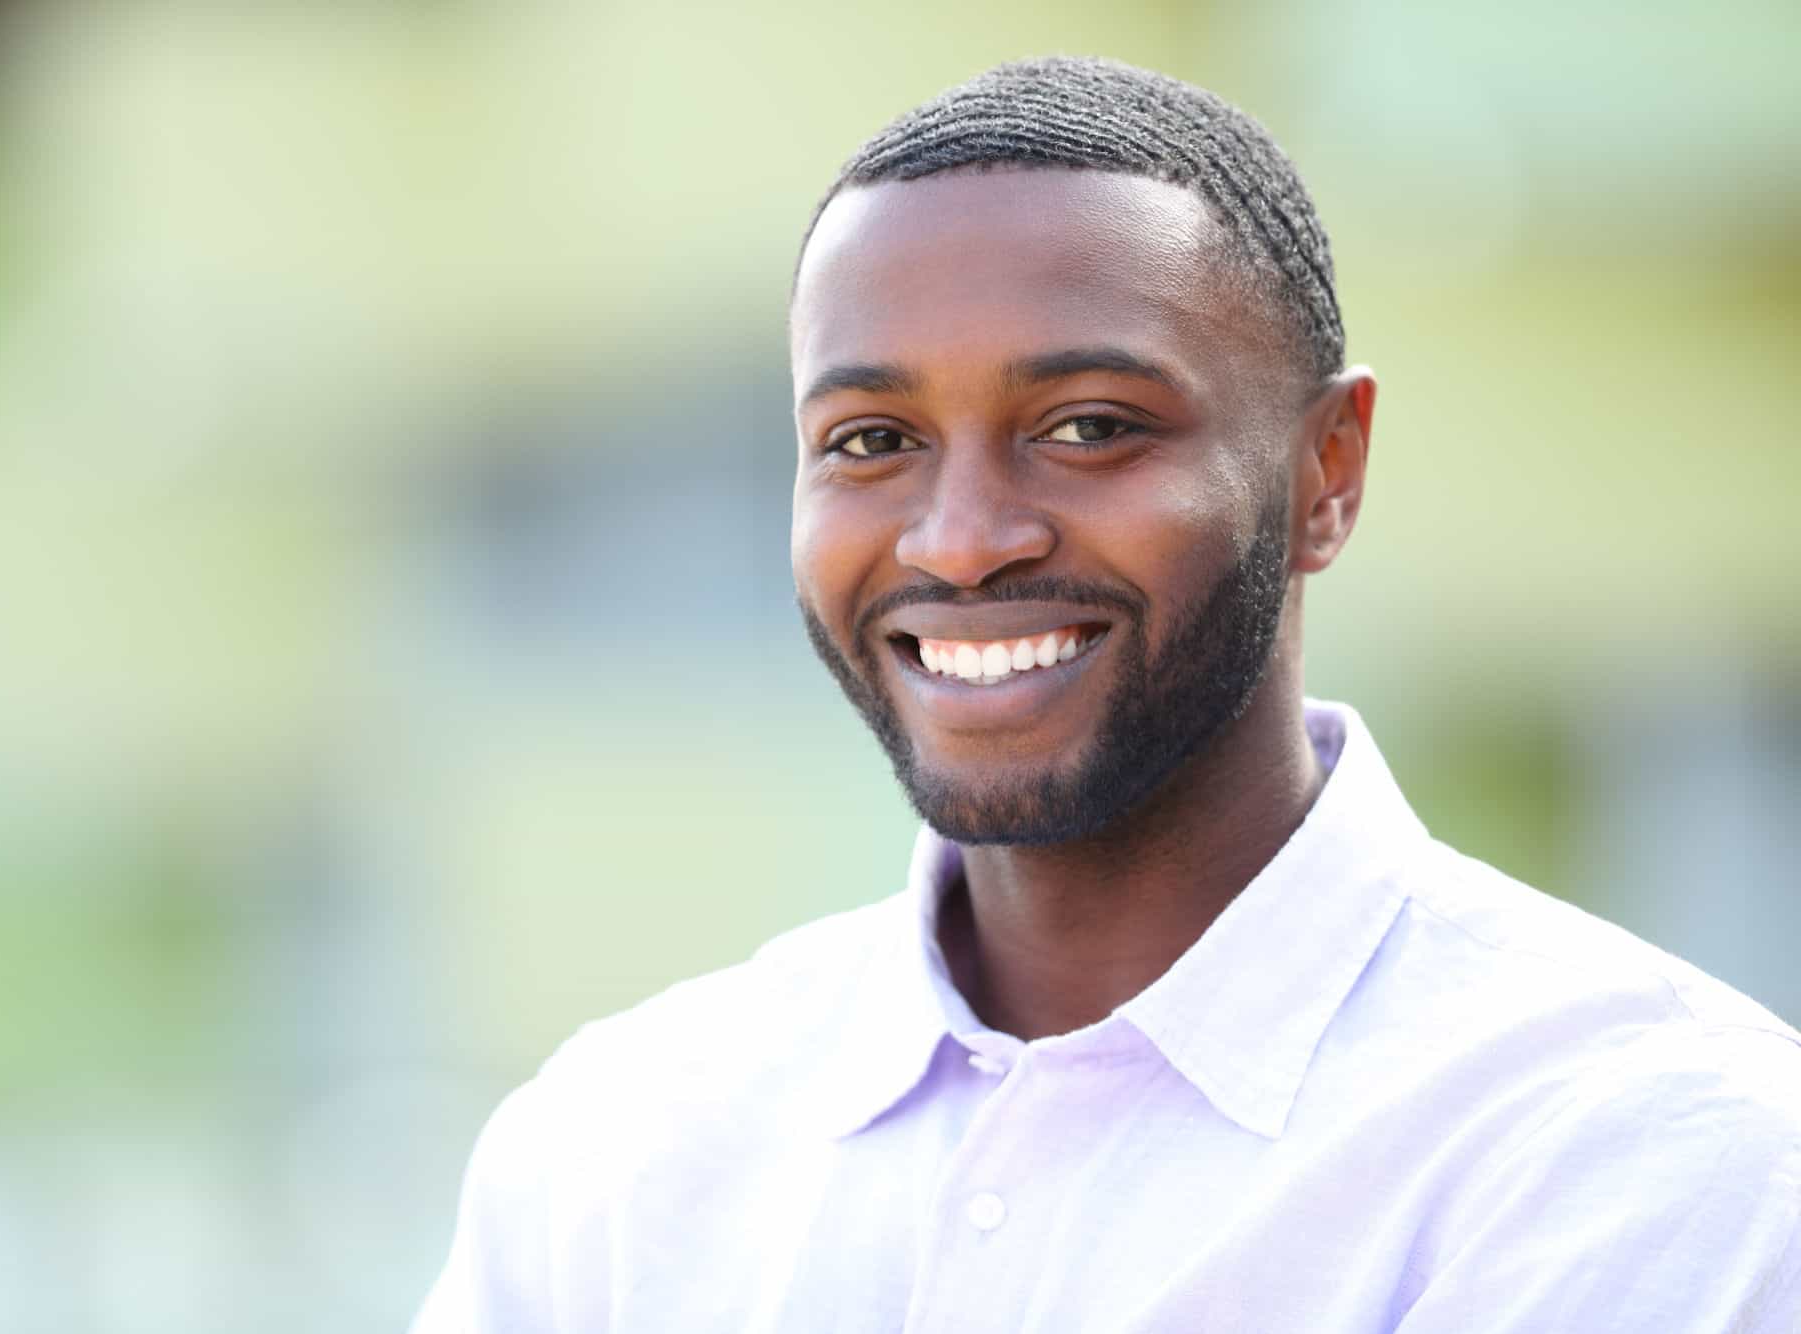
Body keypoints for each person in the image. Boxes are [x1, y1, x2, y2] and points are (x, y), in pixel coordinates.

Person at [412, 57, 1801, 1332]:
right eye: (871, 440)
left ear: (1328, 471)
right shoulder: (611, 1156)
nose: (960, 538)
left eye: (1089, 428)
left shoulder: (1634, 1144)